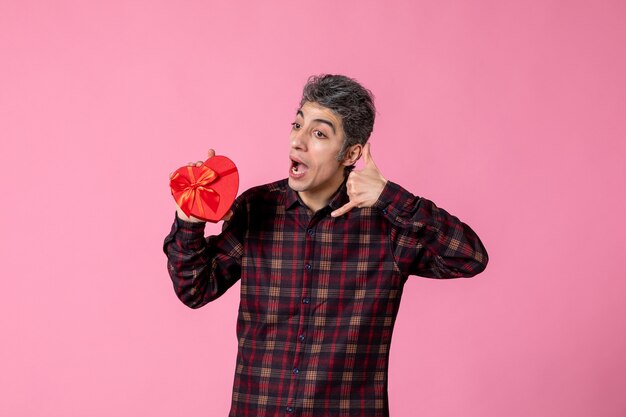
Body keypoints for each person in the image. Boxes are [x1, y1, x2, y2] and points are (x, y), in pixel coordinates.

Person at [163, 74, 489, 417]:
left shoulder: (387, 223)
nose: (298, 142)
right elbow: (195, 290)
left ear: (351, 153)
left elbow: (470, 258)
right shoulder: (256, 208)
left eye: (318, 133)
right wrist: (190, 219)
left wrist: (392, 199)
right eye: (297, 125)